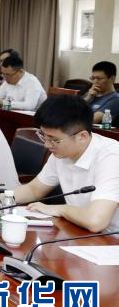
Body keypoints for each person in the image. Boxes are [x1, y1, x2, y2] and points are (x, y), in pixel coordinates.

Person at [12, 95, 119, 233]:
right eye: (43, 136)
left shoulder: (112, 156)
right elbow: (34, 190)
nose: (46, 145)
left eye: (54, 140)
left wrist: (60, 209)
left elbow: (96, 221)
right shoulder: (61, 153)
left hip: (111, 239)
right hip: (80, 231)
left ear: (82, 136)